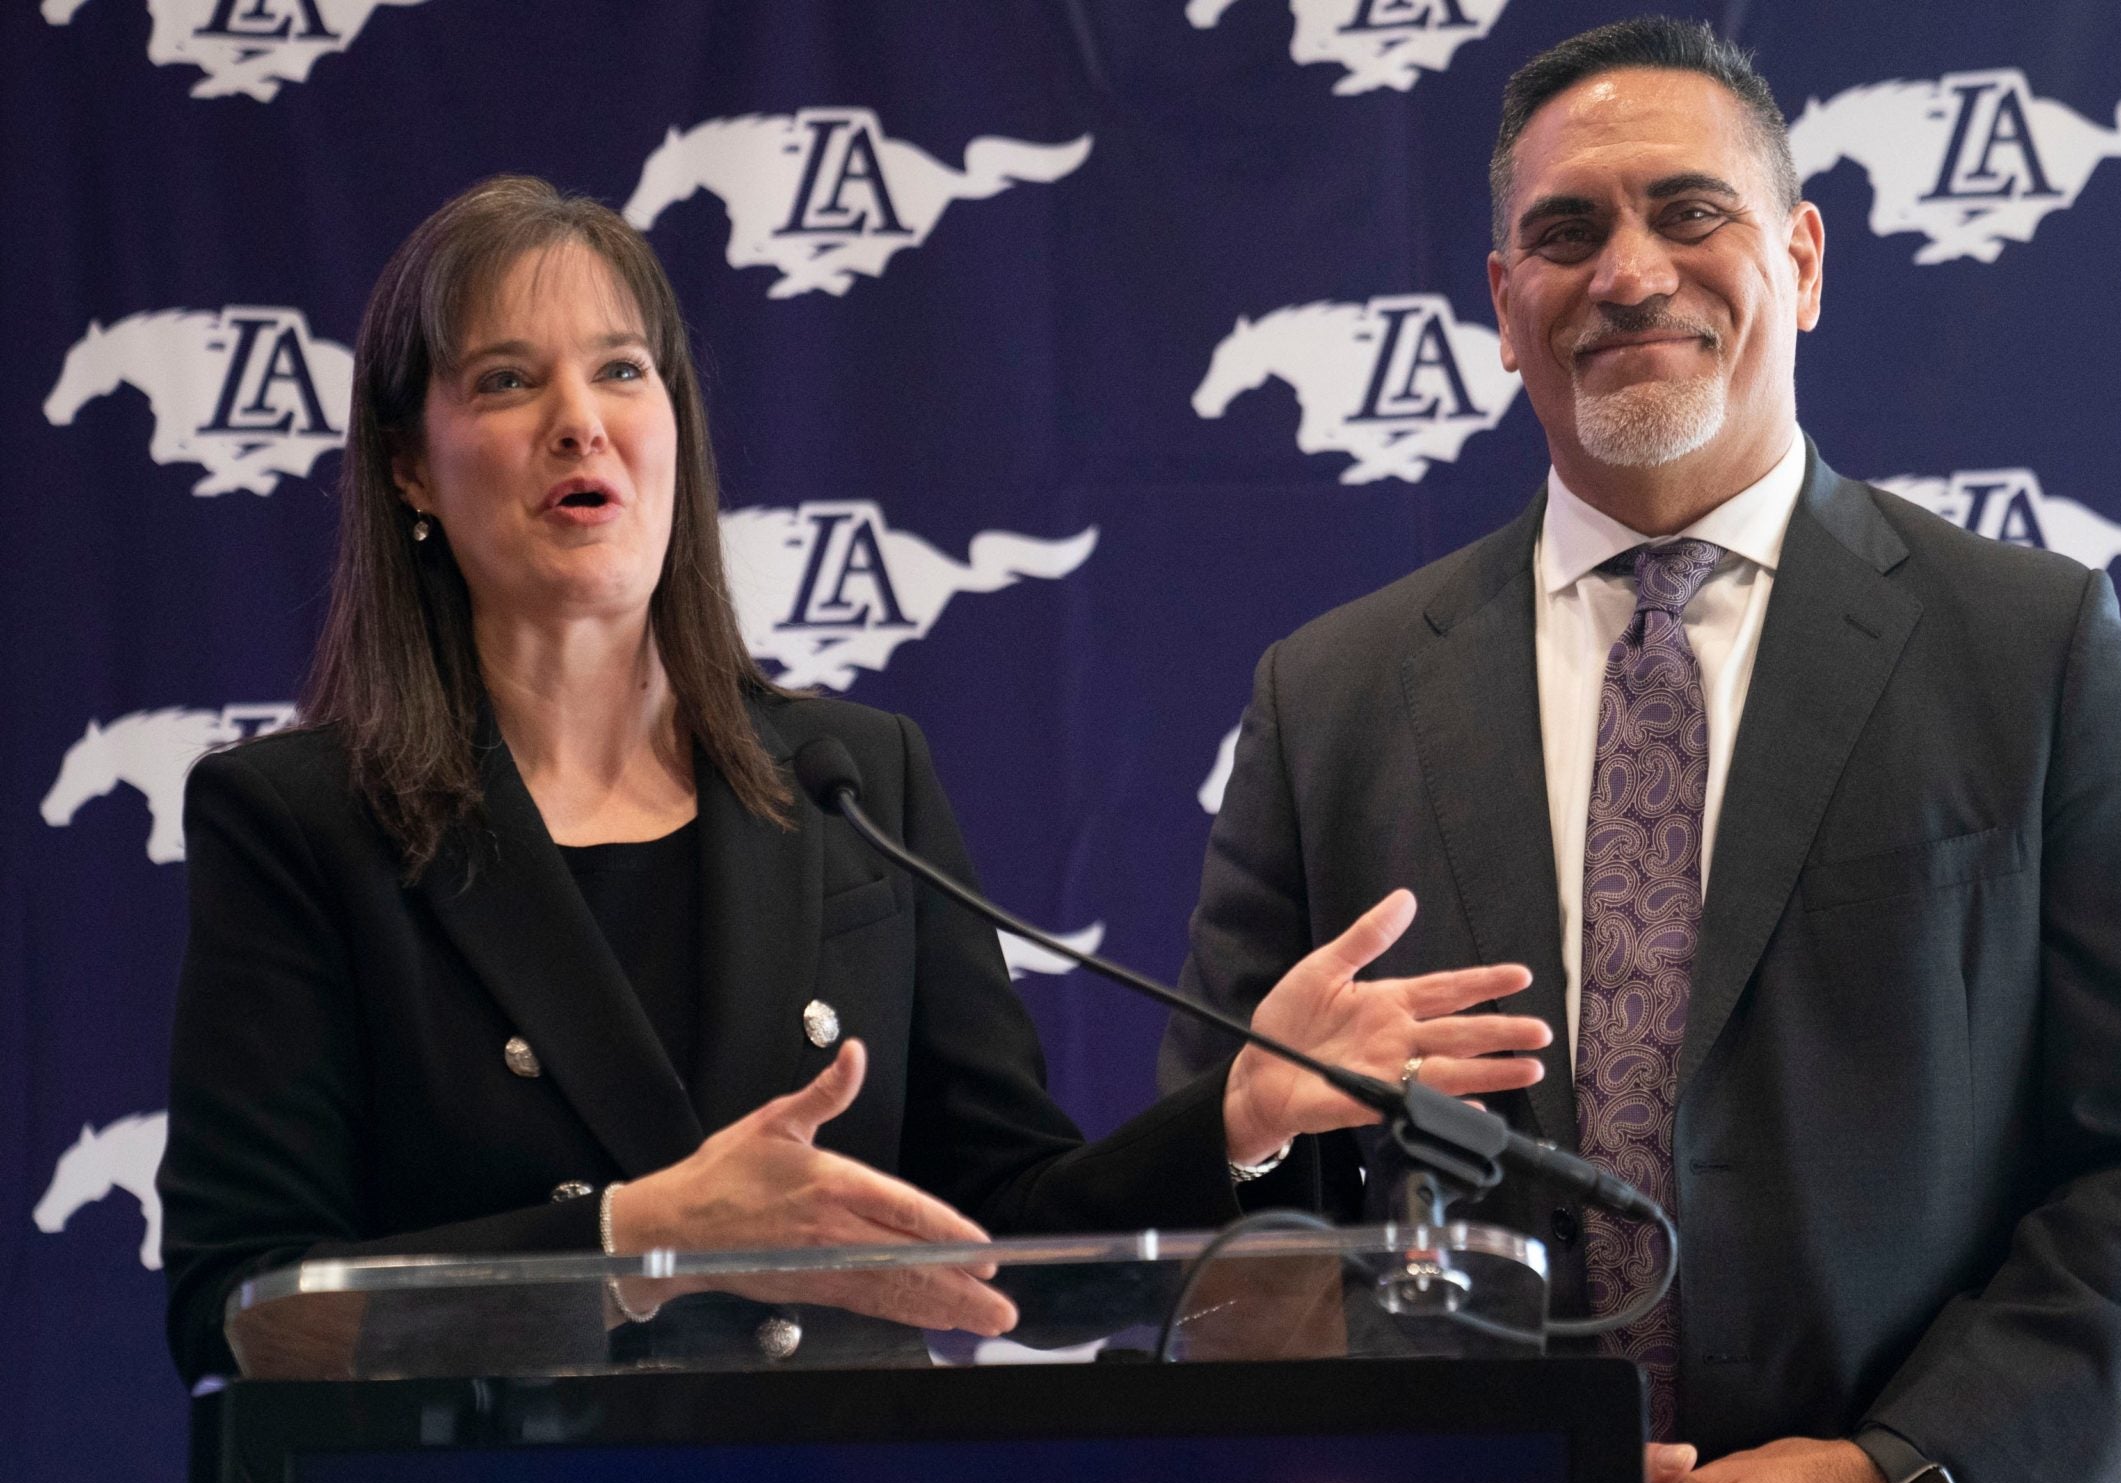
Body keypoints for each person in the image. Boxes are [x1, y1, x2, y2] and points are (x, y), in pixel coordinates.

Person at [1157, 19, 2121, 1483]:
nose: (1628, 272)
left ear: (1803, 261)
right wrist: (1257, 1155)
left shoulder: (2030, 652)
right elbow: (1233, 1187)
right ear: (1499, 307)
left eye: (1691, 212)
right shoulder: (1330, 701)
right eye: (1567, 231)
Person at [158, 175, 1542, 1386]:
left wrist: (1238, 1115)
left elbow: (1011, 1242)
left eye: (623, 371)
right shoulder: (300, 822)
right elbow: (245, 1310)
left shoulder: (849, 779)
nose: (580, 423)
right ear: (410, 463)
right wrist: (632, 1244)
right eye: (507, 381)